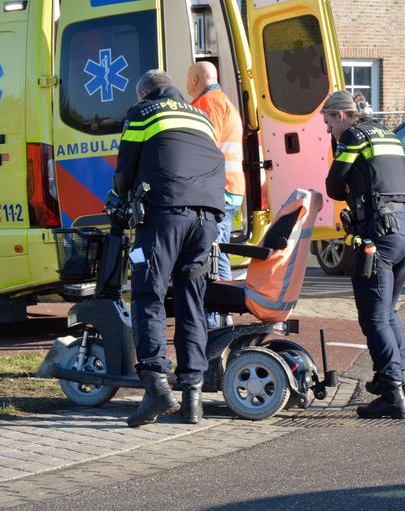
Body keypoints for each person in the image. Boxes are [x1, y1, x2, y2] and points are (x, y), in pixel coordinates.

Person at [113, 70, 225, 427]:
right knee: (193, 302)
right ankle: (193, 397)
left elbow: (125, 166)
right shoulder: (200, 115)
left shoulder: (144, 113)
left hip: (165, 216)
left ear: (144, 93)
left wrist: (118, 202)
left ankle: (156, 386)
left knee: (148, 295)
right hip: (207, 219)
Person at [322, 90, 405, 419]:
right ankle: (398, 379)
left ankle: (391, 391)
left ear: (340, 115)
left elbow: (334, 186)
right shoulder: (387, 134)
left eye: (328, 123)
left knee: (373, 317)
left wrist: (345, 178)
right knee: (388, 311)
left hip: (379, 232)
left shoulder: (352, 136)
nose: (328, 132)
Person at [186, 62, 245, 329]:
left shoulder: (207, 103)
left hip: (218, 189)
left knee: (213, 251)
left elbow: (203, 149)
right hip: (231, 186)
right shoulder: (225, 102)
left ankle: (220, 319)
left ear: (196, 79)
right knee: (218, 250)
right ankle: (222, 316)